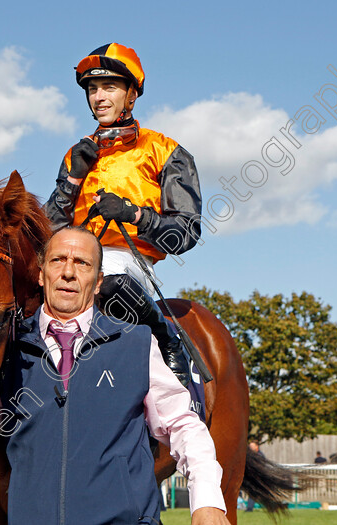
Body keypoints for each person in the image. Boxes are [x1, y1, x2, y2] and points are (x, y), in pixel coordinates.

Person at [2, 227, 229, 525]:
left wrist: (207, 500)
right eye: (58, 260)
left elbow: (183, 425)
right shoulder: (7, 349)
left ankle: (173, 347)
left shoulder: (136, 342)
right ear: (41, 274)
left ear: (97, 282)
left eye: (82, 263)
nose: (68, 271)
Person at [45, 43, 204, 387]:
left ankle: (169, 342)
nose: (99, 97)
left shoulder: (167, 151)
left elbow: (186, 234)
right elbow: (47, 231)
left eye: (110, 87)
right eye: (92, 89)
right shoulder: (76, 154)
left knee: (109, 280)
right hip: (69, 258)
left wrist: (133, 214)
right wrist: (73, 180)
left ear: (132, 95)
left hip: (128, 264)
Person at [245, 442, 264, 512]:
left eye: (252, 446)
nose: (251, 447)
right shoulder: (250, 455)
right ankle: (249, 508)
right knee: (252, 492)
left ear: (257, 446)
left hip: (259, 477)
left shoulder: (260, 455)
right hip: (253, 477)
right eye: (250, 446)